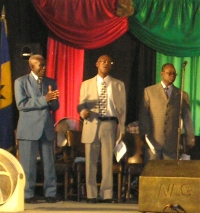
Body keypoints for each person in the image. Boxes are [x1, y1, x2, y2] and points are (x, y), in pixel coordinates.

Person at [77, 54, 126, 203]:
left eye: (108, 62)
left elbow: (123, 109)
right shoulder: (86, 84)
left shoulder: (118, 84)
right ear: (97, 64)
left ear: (111, 65)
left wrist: (121, 127)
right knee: (90, 161)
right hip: (91, 122)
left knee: (107, 161)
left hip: (109, 124)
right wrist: (82, 112)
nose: (105, 63)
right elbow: (81, 104)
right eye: (102, 61)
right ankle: (91, 194)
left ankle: (106, 194)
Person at [14, 54, 60, 203]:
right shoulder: (21, 82)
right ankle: (28, 194)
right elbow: (22, 104)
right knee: (28, 164)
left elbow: (55, 106)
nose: (44, 68)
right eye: (41, 65)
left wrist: (52, 100)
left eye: (44, 64)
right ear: (32, 66)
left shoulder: (50, 82)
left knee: (49, 164)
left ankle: (50, 193)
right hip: (28, 129)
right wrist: (44, 99)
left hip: (46, 127)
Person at [139, 63, 195, 164]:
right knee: (152, 173)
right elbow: (144, 115)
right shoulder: (149, 91)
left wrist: (190, 137)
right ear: (162, 73)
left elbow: (187, 118)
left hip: (172, 143)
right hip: (153, 141)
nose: (172, 76)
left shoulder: (182, 94)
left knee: (169, 173)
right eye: (169, 73)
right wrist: (145, 135)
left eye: (174, 74)